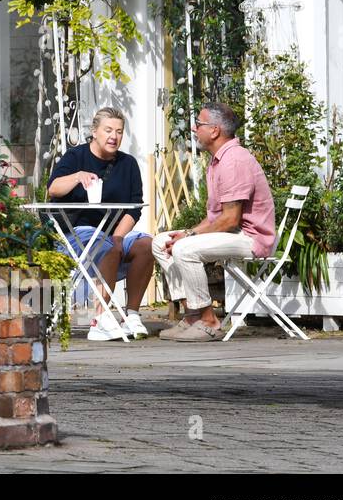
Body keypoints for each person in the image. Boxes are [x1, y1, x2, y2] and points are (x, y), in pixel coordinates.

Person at [151, 101, 276, 342]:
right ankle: (192, 315)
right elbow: (215, 218)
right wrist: (188, 232)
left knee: (184, 248)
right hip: (234, 233)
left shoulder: (234, 161)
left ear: (215, 130)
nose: (193, 128)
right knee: (160, 242)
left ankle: (209, 321)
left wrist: (188, 237)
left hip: (251, 238)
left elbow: (230, 219)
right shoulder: (220, 158)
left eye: (198, 124)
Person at [47, 107, 153, 340]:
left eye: (119, 131)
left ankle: (132, 315)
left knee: (146, 245)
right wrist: (77, 177)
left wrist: (118, 236)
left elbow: (134, 208)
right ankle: (100, 319)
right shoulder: (76, 157)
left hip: (112, 233)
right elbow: (53, 188)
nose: (113, 136)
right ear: (94, 132)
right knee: (105, 246)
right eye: (108, 130)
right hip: (76, 234)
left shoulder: (128, 164)